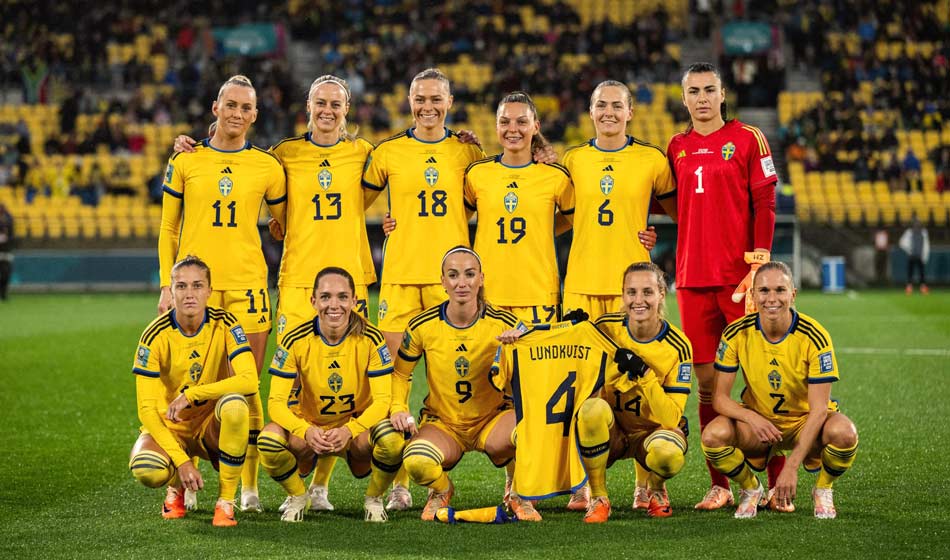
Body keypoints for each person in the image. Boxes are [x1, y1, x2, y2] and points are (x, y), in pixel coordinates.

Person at [172, 74, 378, 512]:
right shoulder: (282, 155)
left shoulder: (364, 153)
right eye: (319, 102)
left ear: (347, 110)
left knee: (342, 383)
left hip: (349, 284)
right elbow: (276, 216)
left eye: (335, 104)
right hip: (296, 281)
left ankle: (320, 486)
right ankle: (249, 489)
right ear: (307, 106)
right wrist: (192, 144)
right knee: (282, 384)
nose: (327, 110)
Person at [158, 74, 287, 512]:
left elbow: (285, 220)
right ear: (215, 108)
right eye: (230, 105)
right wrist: (164, 283)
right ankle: (183, 478)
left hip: (249, 286)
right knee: (185, 382)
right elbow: (168, 228)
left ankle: (246, 488)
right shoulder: (186, 160)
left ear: (255, 115)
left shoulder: (268, 166)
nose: (237, 113)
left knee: (247, 390)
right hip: (196, 289)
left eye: (245, 108)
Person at [361, 68, 487, 511]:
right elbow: (347, 201)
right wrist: (383, 223)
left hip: (450, 284)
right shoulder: (388, 152)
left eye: (436, 98)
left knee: (452, 376)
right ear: (409, 100)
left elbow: (491, 199)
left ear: (449, 102)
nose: (427, 106)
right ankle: (398, 482)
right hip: (399, 276)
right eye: (420, 98)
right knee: (394, 378)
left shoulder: (467, 150)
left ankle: (436, 472)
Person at [666, 62, 783, 510]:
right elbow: (673, 204)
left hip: (739, 281)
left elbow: (765, 201)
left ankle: (774, 479)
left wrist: (759, 264)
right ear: (683, 98)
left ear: (722, 94)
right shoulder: (676, 146)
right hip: (692, 280)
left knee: (754, 380)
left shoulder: (748, 138)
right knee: (709, 384)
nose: (701, 98)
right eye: (693, 91)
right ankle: (721, 483)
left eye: (708, 90)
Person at [701, 262, 859, 519]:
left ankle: (823, 488)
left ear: (792, 294)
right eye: (763, 291)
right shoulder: (736, 333)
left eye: (779, 290)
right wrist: (752, 417)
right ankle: (751, 489)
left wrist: (791, 467)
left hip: (805, 424)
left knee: (844, 432)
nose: (771, 298)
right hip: (759, 425)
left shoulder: (815, 336)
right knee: (713, 436)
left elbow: (819, 411)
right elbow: (719, 398)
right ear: (752, 295)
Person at [390, 246, 532, 521]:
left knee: (531, 432)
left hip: (493, 420)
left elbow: (535, 372)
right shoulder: (422, 325)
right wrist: (398, 407)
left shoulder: (506, 323)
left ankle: (519, 492)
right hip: (444, 424)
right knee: (417, 462)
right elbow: (400, 373)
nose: (461, 283)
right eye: (453, 275)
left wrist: (520, 345)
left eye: (469, 274)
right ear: (442, 282)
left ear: (481, 278)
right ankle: (441, 490)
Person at [259, 267, 404, 523]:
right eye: (325, 297)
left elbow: (383, 401)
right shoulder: (294, 339)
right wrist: (304, 430)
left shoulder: (371, 338)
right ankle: (298, 495)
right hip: (309, 429)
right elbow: (276, 402)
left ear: (354, 301)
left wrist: (350, 429)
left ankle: (374, 498)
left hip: (355, 435)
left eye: (342, 297)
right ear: (313, 301)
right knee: (268, 441)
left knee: (391, 439)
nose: (333, 305)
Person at [127, 256, 258, 527]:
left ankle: (225, 502)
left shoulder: (227, 323)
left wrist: (193, 394)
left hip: (210, 424)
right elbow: (146, 411)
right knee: (147, 469)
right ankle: (175, 490)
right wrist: (183, 462)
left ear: (210, 291)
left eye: (197, 286)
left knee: (235, 406)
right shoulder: (154, 336)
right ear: (170, 292)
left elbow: (249, 381)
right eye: (181, 286)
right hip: (172, 427)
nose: (189, 294)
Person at [577, 262, 691, 523]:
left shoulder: (678, 345)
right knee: (591, 410)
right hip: (612, 431)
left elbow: (672, 418)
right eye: (631, 292)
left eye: (647, 292)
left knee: (669, 454)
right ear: (623, 295)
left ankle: (656, 489)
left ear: (662, 294)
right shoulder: (604, 328)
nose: (639, 300)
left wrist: (645, 374)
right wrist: (573, 330)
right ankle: (598, 496)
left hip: (649, 433)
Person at [562, 80, 673, 329]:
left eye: (616, 105)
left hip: (633, 286)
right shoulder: (573, 159)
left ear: (630, 112)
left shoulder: (652, 158)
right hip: (581, 283)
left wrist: (649, 229)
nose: (608, 112)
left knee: (630, 365)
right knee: (580, 367)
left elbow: (679, 211)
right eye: (601, 105)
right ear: (591, 111)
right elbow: (562, 217)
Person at [463, 91, 574, 325]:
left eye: (521, 122)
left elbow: (580, 220)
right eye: (504, 122)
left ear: (536, 126)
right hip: (487, 295)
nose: (512, 129)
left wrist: (543, 229)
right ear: (496, 126)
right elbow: (453, 220)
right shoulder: (477, 174)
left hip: (539, 296)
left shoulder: (556, 176)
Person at [899, 216, 930, 294]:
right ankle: (909, 288)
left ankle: (923, 288)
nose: (917, 224)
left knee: (922, 273)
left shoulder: (924, 232)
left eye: (918, 223)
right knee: (910, 272)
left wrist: (925, 255)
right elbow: (902, 242)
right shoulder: (909, 232)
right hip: (912, 255)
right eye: (916, 223)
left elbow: (926, 245)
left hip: (920, 255)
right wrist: (909, 249)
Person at [0, 202, 13, 301]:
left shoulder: (9, 222)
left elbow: (12, 236)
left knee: (6, 274)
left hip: (6, 251)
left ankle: (4, 293)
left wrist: (7, 238)